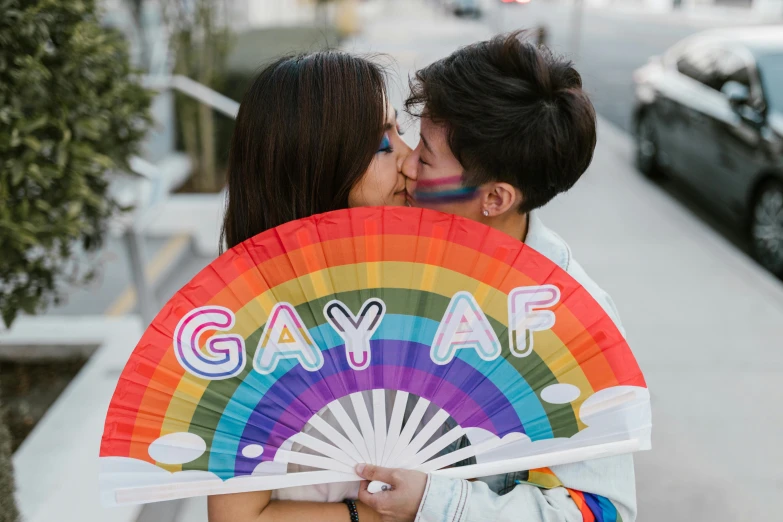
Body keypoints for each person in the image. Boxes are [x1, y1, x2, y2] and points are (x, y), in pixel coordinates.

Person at [353, 32, 637, 522]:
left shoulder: (571, 322)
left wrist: (437, 503)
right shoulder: (390, 252)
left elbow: (599, 511)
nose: (407, 164)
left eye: (425, 157)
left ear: (496, 199)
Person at [210, 50, 414, 522]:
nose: (409, 159)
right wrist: (377, 514)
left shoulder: (410, 283)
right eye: (384, 144)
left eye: (399, 132)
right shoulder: (252, 324)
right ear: (319, 162)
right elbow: (237, 518)